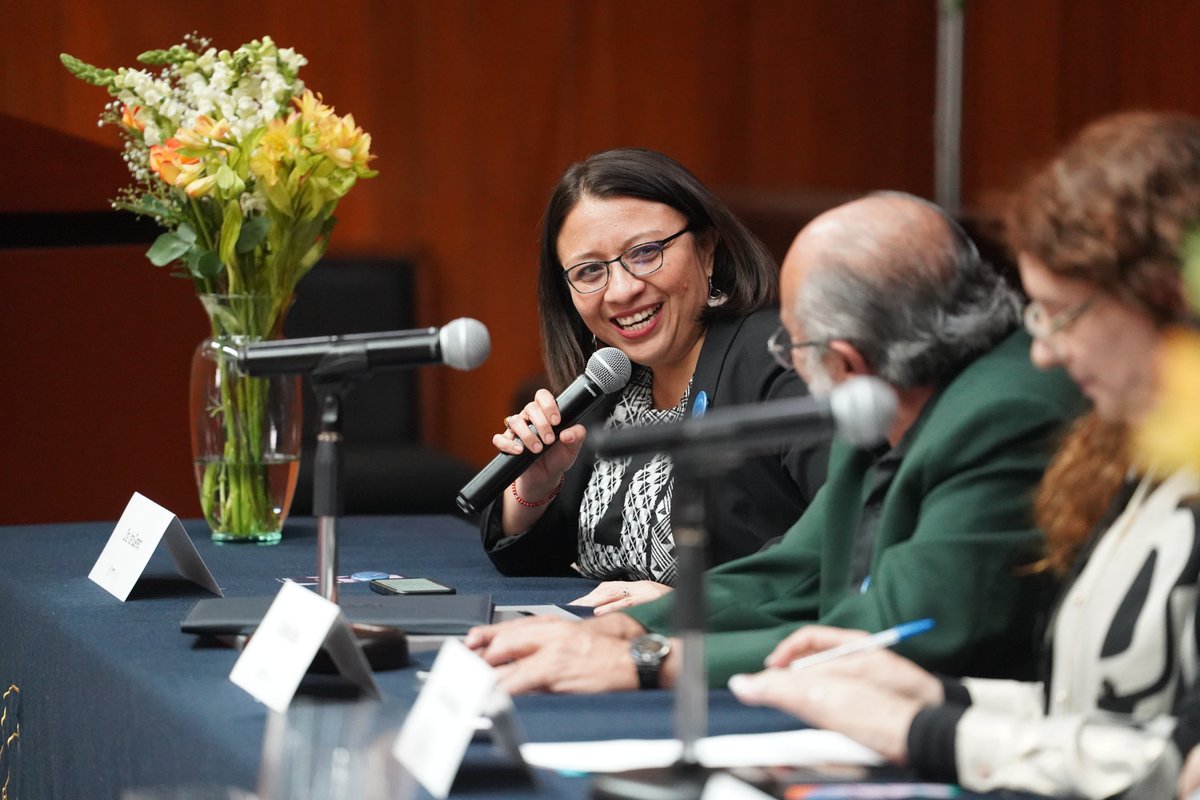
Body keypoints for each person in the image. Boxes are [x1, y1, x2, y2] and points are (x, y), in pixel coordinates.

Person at [728, 111, 1200, 800]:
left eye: (1062, 313)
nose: (1043, 351)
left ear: (1167, 302)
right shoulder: (1133, 456)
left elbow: (1172, 769)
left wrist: (926, 730)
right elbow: (1102, 715)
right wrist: (944, 695)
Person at [465, 190, 1086, 692]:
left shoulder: (1005, 412)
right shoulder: (889, 393)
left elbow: (898, 628)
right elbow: (792, 573)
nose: (788, 360)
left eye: (794, 344)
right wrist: (620, 631)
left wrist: (651, 659)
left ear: (843, 359)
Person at [479, 148, 827, 610]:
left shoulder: (780, 361)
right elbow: (540, 563)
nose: (622, 290)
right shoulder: (612, 380)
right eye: (589, 271)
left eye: (645, 253)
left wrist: (692, 605)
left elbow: (849, 522)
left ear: (708, 249)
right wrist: (535, 490)